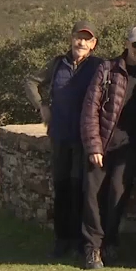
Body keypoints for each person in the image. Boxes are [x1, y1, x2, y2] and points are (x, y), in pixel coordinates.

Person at [23, 20, 103, 258]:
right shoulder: (58, 64)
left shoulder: (99, 66)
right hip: (59, 135)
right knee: (61, 187)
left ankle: (80, 242)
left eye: (87, 39)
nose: (81, 42)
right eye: (78, 37)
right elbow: (30, 82)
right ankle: (62, 241)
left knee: (80, 189)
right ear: (71, 39)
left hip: (84, 138)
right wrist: (41, 106)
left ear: (93, 44)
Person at [79, 25, 136, 270]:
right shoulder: (108, 68)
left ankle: (110, 242)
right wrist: (94, 146)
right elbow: (90, 109)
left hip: (130, 146)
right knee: (92, 196)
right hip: (103, 142)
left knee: (117, 196)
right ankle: (92, 248)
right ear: (128, 44)